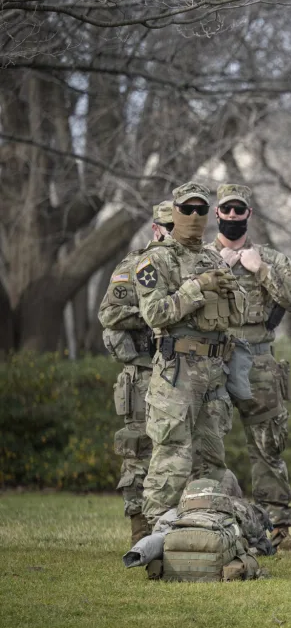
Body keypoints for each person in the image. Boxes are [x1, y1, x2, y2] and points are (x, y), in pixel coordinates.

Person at [133, 182, 243, 524]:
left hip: (213, 369)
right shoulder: (155, 259)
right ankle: (155, 538)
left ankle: (203, 532)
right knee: (172, 457)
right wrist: (197, 287)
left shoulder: (213, 258)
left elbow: (237, 316)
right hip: (176, 369)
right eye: (187, 209)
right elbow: (155, 315)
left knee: (211, 458)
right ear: (175, 212)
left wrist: (231, 290)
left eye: (201, 210)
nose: (195, 216)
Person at [211, 184, 291, 551]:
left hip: (259, 363)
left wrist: (263, 270)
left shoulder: (269, 257)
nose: (233, 217)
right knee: (208, 443)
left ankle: (278, 529)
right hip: (212, 361)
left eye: (240, 211)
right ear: (217, 214)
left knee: (268, 444)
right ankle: (209, 522)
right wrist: (216, 271)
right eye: (227, 211)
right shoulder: (201, 258)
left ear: (249, 214)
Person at [99, 200, 173, 543]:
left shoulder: (194, 264)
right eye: (167, 228)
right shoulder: (135, 266)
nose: (172, 234)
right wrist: (153, 313)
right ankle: (139, 529)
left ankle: (179, 529)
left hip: (181, 372)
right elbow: (109, 315)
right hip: (142, 372)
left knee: (181, 451)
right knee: (138, 450)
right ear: (156, 228)